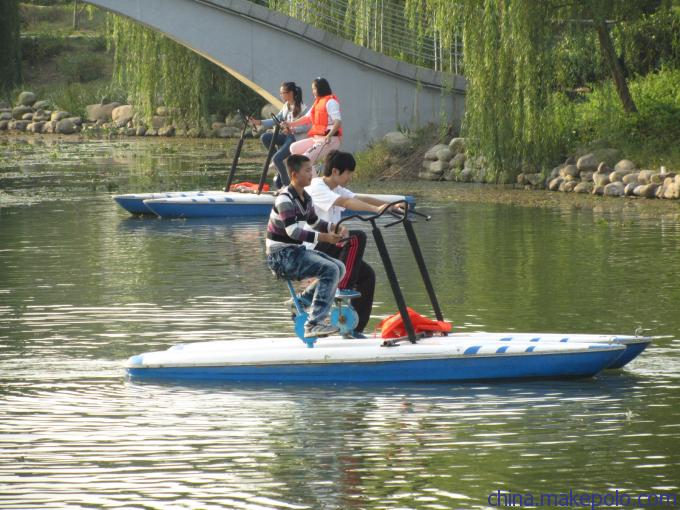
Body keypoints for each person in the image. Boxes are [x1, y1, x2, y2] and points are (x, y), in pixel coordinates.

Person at [299, 150, 404, 338]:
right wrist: (375, 210)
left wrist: (390, 206)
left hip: (330, 245)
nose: (350, 177)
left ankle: (355, 329)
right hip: (313, 247)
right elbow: (346, 203)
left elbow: (359, 198)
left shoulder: (335, 187)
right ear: (336, 171)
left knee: (367, 276)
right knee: (357, 238)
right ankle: (342, 285)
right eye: (348, 173)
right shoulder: (317, 187)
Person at [265, 154, 348, 338]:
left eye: (313, 170)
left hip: (293, 252)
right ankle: (314, 324)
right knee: (330, 270)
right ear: (294, 174)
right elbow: (292, 232)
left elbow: (315, 222)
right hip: (280, 257)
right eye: (308, 170)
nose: (313, 174)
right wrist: (324, 238)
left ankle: (300, 302)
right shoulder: (285, 199)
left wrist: (335, 228)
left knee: (340, 268)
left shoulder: (306, 198)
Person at [249, 81, 308, 189]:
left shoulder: (303, 108)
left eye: (283, 93)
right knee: (265, 137)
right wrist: (258, 122)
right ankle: (278, 164)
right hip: (286, 137)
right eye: (280, 93)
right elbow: (275, 120)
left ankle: (287, 186)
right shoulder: (286, 106)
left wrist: (291, 129)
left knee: (277, 158)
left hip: (295, 139)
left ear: (290, 93)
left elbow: (306, 127)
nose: (280, 95)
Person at [284, 77, 342, 167]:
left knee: (305, 159)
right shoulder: (317, 102)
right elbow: (306, 118)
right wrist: (290, 124)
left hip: (329, 140)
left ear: (320, 88)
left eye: (314, 89)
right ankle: (309, 177)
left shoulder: (331, 102)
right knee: (293, 148)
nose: (313, 91)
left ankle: (311, 180)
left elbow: (338, 122)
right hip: (317, 139)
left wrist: (329, 135)